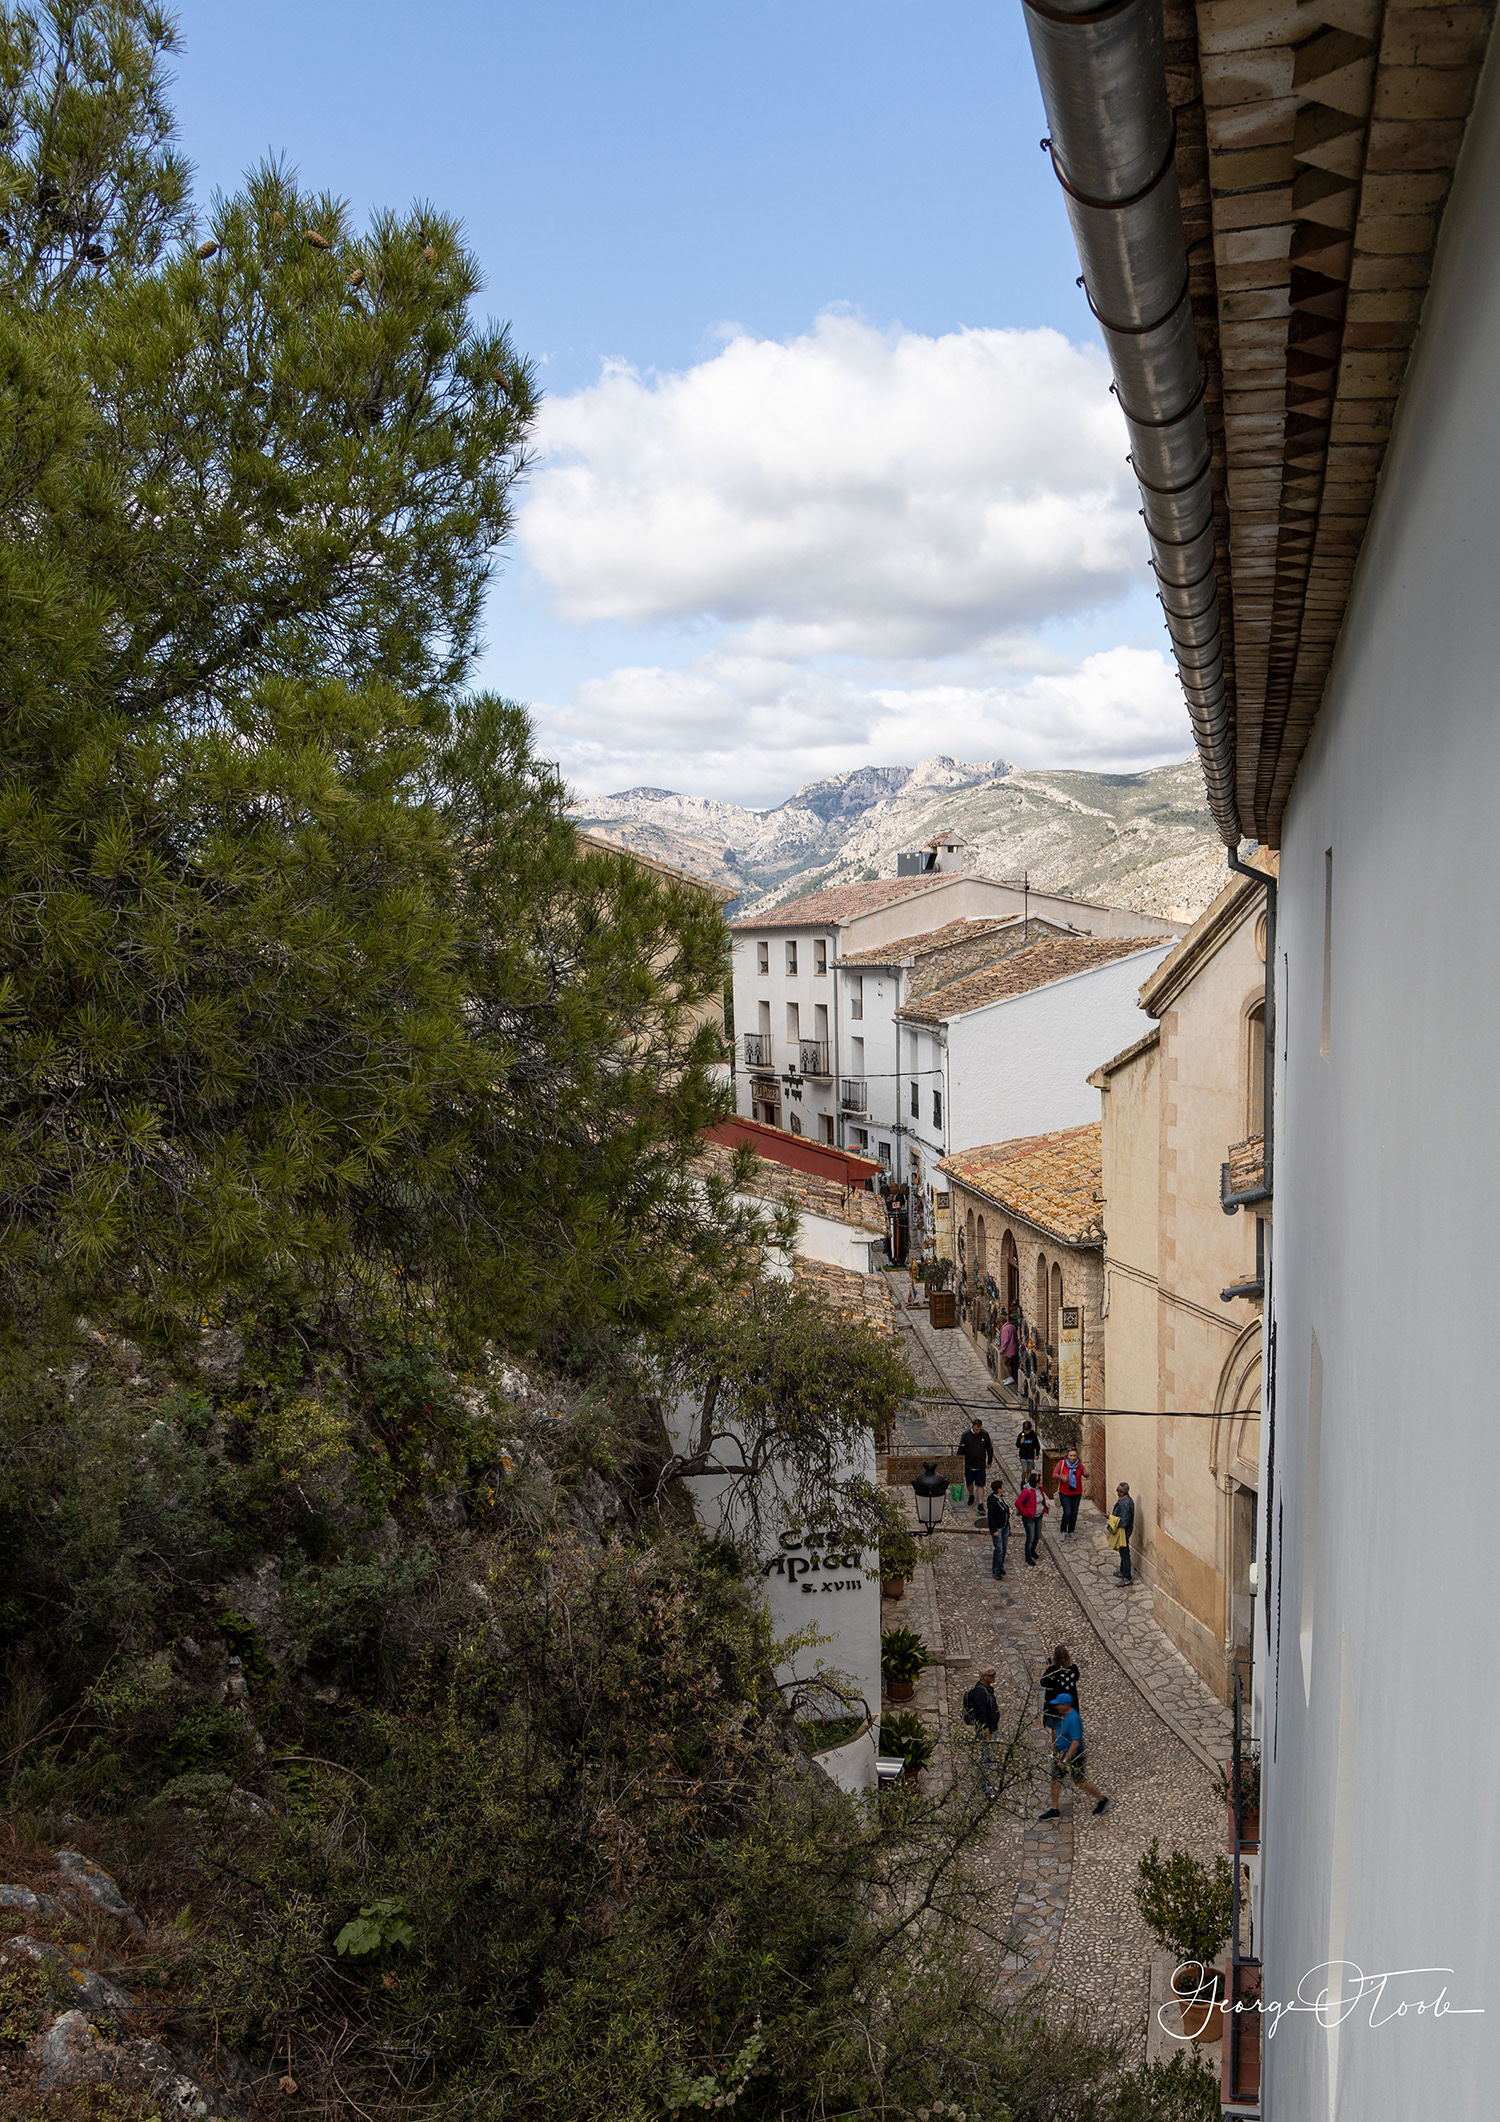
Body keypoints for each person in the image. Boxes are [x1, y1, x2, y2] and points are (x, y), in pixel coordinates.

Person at [1037, 1694, 1109, 1819]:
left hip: (1074, 1755)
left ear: (1066, 1705)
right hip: (1061, 1753)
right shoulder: (1062, 1716)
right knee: (1055, 1779)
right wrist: (1055, 1746)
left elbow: (1075, 1742)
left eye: (1059, 1704)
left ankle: (1101, 1799)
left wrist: (1065, 1760)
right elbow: (1056, 1730)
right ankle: (1054, 1809)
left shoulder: (1074, 1719)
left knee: (1080, 1781)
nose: (1057, 1706)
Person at [962, 1666, 1002, 1798]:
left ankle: (985, 1784)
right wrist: (987, 1733)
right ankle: (982, 1788)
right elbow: (981, 1715)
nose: (995, 1677)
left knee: (989, 1758)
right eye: (992, 1675)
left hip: (991, 1728)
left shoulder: (986, 1689)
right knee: (987, 1759)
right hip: (987, 1731)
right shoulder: (980, 1693)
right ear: (984, 1677)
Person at [1040, 1644, 1080, 1742]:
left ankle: (1055, 1750)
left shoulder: (1052, 1671)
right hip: (1070, 1704)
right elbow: (1076, 1678)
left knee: (1055, 1727)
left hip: (1056, 1703)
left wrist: (1048, 1670)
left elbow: (1043, 1682)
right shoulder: (1074, 1669)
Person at [957, 1418, 994, 1509]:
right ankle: (971, 1494)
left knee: (980, 1484)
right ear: (973, 1426)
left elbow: (989, 1449)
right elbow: (961, 1449)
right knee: (969, 1483)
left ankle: (980, 1503)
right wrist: (959, 1460)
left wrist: (989, 1461)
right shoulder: (966, 1435)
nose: (978, 1431)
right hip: (969, 1464)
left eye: (979, 1429)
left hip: (980, 1464)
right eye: (976, 1429)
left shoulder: (985, 1435)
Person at [1054, 1447, 1088, 1537]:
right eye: (1071, 1456)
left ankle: (1071, 1530)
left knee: (1074, 1513)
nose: (1073, 1458)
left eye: (1074, 1456)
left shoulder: (1079, 1465)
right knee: (1067, 1512)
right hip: (1065, 1492)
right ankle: (1063, 1530)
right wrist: (1062, 1477)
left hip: (1076, 1493)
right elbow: (1054, 1474)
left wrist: (1086, 1472)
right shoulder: (1062, 1463)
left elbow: (1085, 1475)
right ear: (1067, 1455)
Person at [1015, 1470, 1048, 1564]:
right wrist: (1025, 1513)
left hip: (1038, 1516)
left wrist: (1044, 1508)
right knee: (1030, 1537)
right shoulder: (1027, 1491)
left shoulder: (1040, 1489)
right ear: (1036, 1482)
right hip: (1029, 1518)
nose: (1042, 1481)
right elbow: (1018, 1503)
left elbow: (1041, 1500)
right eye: (1041, 1480)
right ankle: (1028, 1556)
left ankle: (1033, 1550)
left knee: (1037, 1536)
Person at [987, 1478, 1011, 1578]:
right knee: (999, 1549)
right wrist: (994, 1530)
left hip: (1005, 1526)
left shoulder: (1001, 1498)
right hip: (998, 1528)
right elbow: (991, 1517)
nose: (1004, 1488)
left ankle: (1000, 1566)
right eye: (1002, 1487)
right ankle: (996, 1569)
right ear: (999, 1489)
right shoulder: (993, 1501)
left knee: (1004, 1548)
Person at [1112, 1481, 1136, 1582]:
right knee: (1122, 1553)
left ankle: (1127, 1577)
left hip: (1124, 1532)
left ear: (1122, 1493)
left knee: (1125, 1554)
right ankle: (1122, 1571)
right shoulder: (1124, 1500)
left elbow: (1124, 1522)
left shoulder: (1126, 1504)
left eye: (1117, 1490)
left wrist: (1111, 1518)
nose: (1116, 1492)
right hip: (1123, 1532)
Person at [999, 1313, 1019, 1389]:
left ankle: (1010, 1377)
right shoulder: (1012, 1326)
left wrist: (1002, 1349)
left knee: (1003, 1363)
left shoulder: (1005, 1329)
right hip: (1014, 1348)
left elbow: (1005, 1340)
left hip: (1008, 1349)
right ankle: (1009, 1378)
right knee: (1008, 1363)